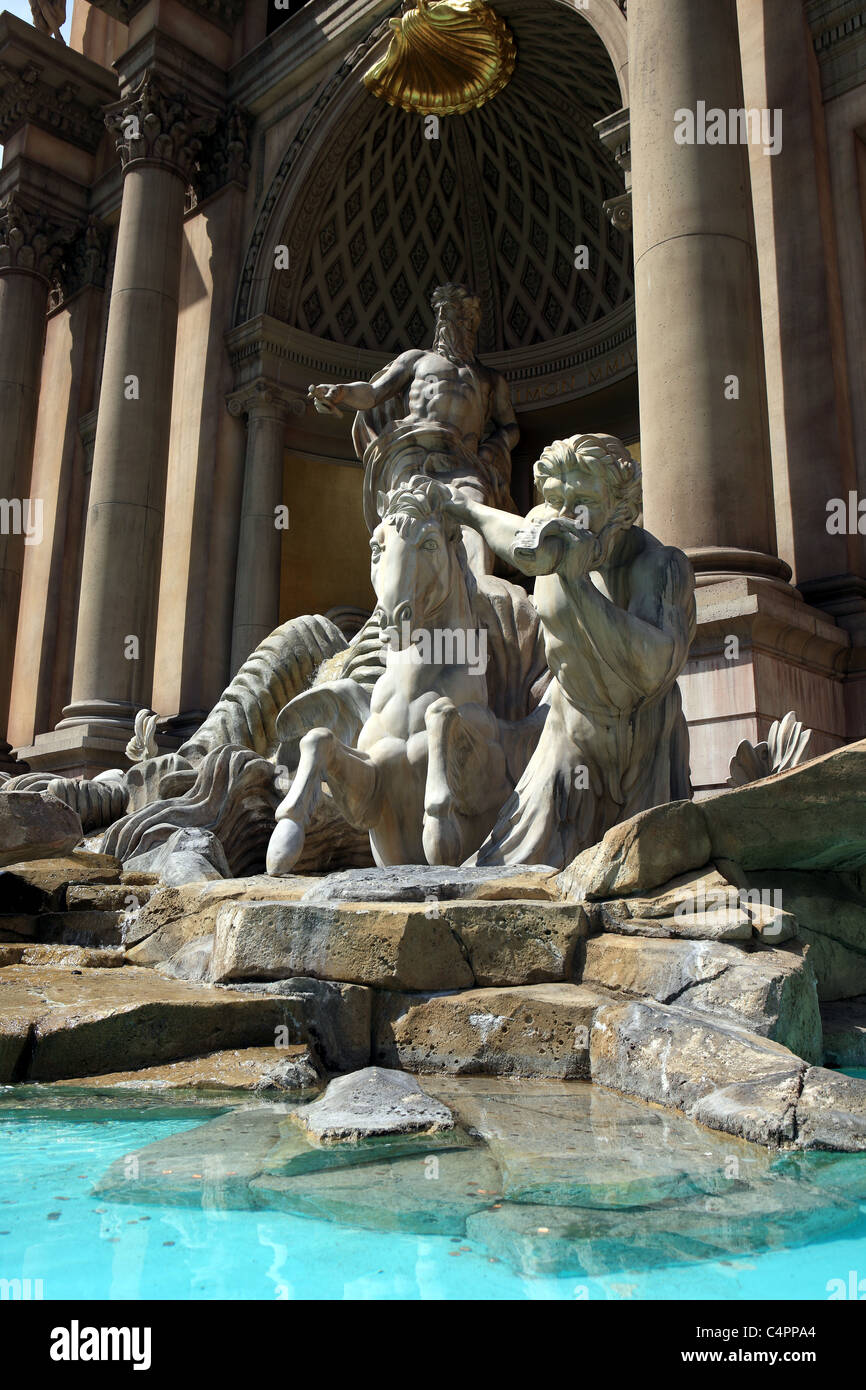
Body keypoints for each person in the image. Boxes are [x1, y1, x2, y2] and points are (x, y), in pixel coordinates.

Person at [441, 432, 696, 867]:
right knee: (512, 871)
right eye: (558, 498)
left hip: (645, 740)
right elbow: (510, 534)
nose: (568, 514)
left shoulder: (659, 567)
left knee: (646, 873)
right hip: (569, 729)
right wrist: (461, 508)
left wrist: (579, 587)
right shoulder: (551, 527)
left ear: (622, 505)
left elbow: (655, 670)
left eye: (583, 499)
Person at [309, 283, 518, 573]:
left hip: (465, 460)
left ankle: (477, 594)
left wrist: (493, 448)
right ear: (441, 321)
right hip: (410, 452)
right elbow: (372, 393)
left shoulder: (490, 380)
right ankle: (399, 600)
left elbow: (510, 427)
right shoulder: (417, 359)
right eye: (454, 317)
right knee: (407, 519)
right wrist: (342, 392)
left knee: (477, 512)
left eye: (468, 319)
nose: (460, 325)